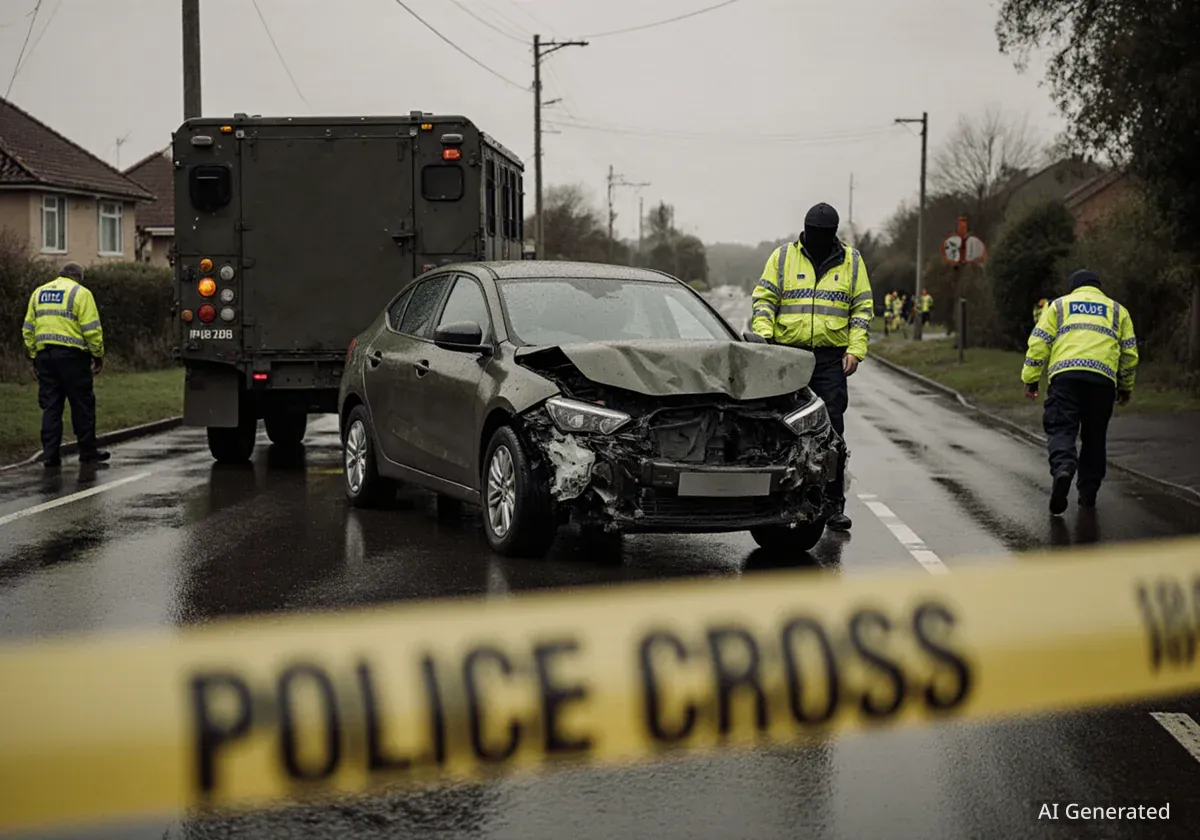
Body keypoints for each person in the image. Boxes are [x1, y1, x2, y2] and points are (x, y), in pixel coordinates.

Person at [751, 202, 873, 531]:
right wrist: (764, 339)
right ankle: (773, 497)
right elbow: (764, 300)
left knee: (831, 429)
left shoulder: (852, 261)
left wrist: (856, 349)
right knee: (778, 425)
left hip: (830, 359)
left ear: (833, 234)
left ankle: (833, 505)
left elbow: (862, 307)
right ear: (806, 230)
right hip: (787, 355)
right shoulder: (782, 258)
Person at [1021, 269, 1137, 514]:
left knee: (1061, 427)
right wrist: (1125, 387)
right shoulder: (1118, 310)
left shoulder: (1059, 306)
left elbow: (1038, 342)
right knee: (1095, 438)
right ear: (1098, 287)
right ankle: (1088, 493)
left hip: (1066, 378)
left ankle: (1063, 468)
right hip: (1102, 381)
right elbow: (1129, 355)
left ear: (1073, 287)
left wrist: (1031, 380)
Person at [22, 263, 110, 467]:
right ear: (78, 277)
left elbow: (28, 329)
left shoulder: (39, 292)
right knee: (82, 405)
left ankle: (50, 456)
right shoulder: (81, 293)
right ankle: (87, 453)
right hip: (73, 358)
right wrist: (97, 355)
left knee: (51, 406)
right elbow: (91, 330)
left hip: (45, 357)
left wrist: (34, 355)